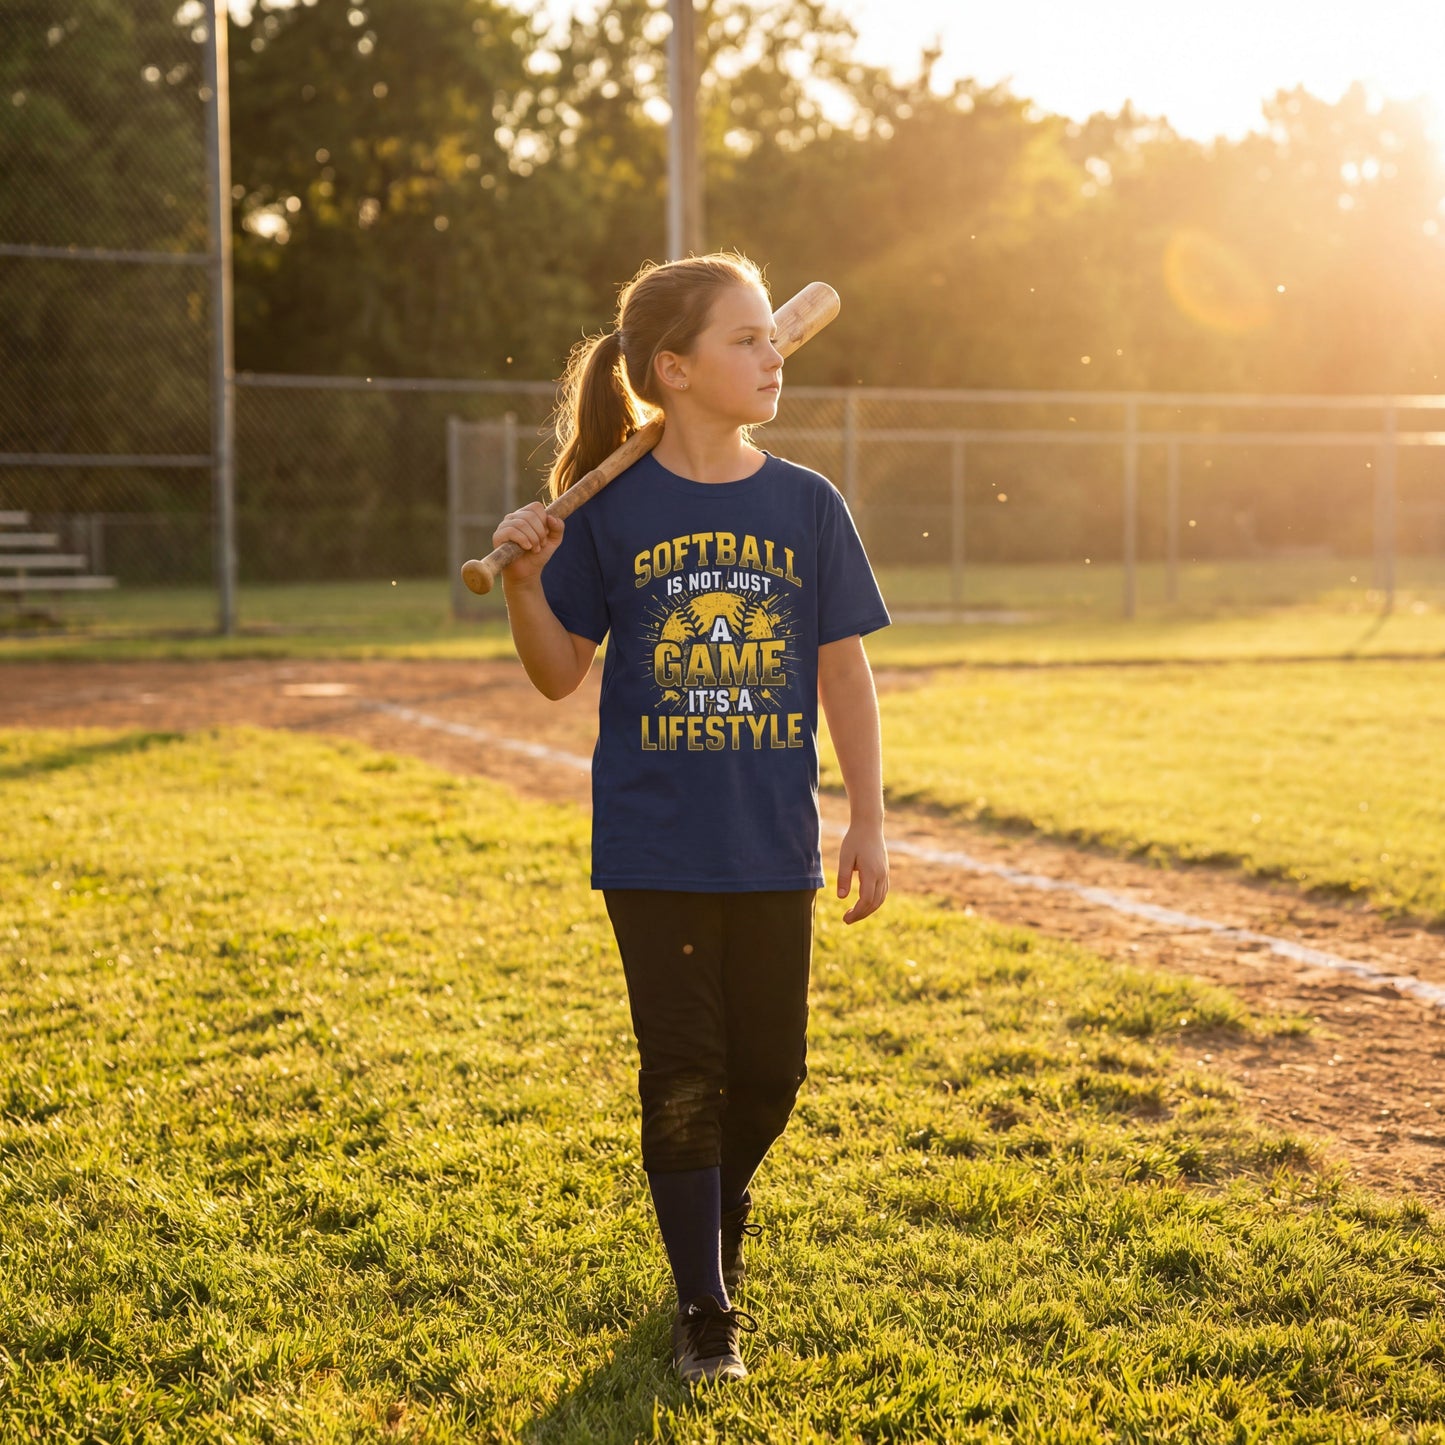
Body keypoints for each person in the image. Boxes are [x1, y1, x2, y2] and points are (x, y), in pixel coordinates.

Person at [491, 251, 890, 1386]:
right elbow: (559, 674)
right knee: (681, 1071)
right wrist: (526, 583)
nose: (773, 354)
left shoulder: (804, 501)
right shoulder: (611, 508)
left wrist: (865, 815)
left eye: (772, 335)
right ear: (672, 367)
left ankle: (708, 1198)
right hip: (654, 845)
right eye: (745, 338)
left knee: (767, 1072)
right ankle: (704, 1308)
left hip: (771, 842)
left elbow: (843, 675)